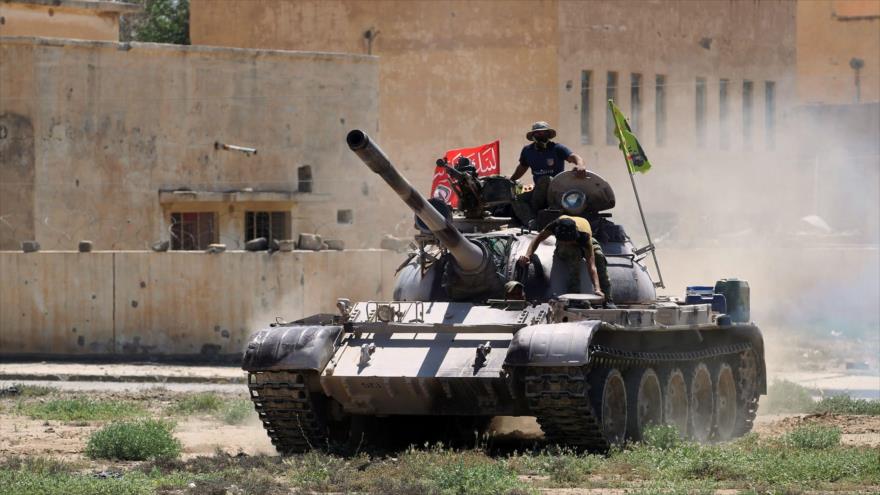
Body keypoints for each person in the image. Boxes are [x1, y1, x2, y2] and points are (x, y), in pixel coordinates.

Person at [517, 215, 613, 305]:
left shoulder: (584, 236)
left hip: (584, 238)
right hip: (563, 248)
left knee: (599, 256)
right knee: (574, 254)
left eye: (570, 241)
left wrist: (597, 288)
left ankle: (608, 299)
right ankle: (575, 297)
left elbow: (591, 265)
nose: (568, 243)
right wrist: (528, 255)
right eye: (565, 241)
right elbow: (538, 239)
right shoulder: (554, 226)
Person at [510, 122, 586, 220]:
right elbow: (522, 167)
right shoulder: (527, 151)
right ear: (533, 136)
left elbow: (574, 157)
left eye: (544, 133)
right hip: (538, 192)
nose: (541, 136)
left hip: (557, 191)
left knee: (546, 179)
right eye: (538, 134)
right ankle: (531, 221)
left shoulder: (557, 148)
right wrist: (511, 180)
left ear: (548, 135)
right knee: (516, 199)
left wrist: (581, 165)